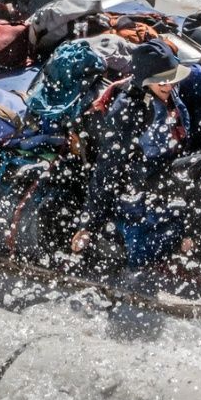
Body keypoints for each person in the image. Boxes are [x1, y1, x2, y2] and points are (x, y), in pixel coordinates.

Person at [70, 41, 192, 273]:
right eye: (162, 80)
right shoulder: (128, 110)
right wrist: (87, 223)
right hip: (141, 180)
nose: (169, 84)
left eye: (172, 77)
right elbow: (108, 167)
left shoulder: (168, 93)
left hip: (167, 167)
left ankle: (193, 239)